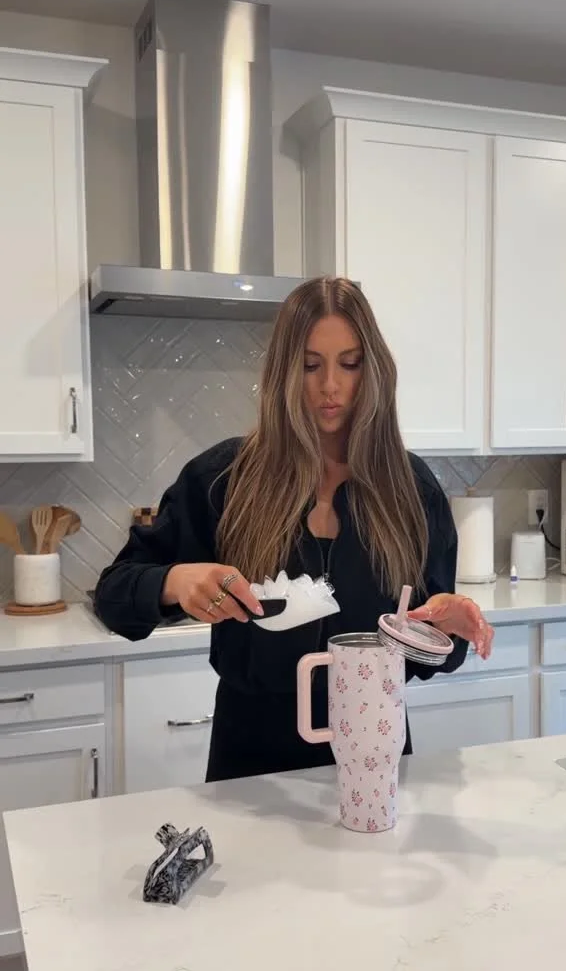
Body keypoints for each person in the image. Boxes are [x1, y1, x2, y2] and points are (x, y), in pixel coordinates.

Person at [95, 276, 494, 781]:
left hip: (373, 760)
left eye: (349, 364)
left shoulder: (410, 488)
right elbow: (113, 595)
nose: (330, 386)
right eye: (310, 365)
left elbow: (427, 649)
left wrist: (445, 629)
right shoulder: (224, 480)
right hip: (250, 768)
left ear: (373, 370)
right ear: (285, 371)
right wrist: (175, 581)